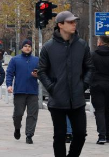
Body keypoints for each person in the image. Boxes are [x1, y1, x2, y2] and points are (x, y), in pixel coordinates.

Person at [38, 11, 94, 156]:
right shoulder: (48, 47)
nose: (74, 24)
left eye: (74, 21)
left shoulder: (82, 45)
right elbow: (42, 71)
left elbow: (90, 68)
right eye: (70, 22)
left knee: (81, 134)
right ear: (60, 25)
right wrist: (52, 88)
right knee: (60, 136)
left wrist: (83, 85)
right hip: (57, 100)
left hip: (77, 99)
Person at [6, 39, 39, 144]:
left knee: (32, 114)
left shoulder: (36, 60)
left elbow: (43, 73)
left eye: (29, 46)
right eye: (25, 46)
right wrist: (9, 85)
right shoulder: (15, 60)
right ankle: (17, 128)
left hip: (33, 92)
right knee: (18, 114)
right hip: (19, 91)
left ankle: (29, 135)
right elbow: (10, 73)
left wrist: (38, 75)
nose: (27, 48)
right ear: (21, 48)